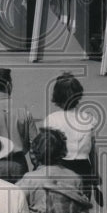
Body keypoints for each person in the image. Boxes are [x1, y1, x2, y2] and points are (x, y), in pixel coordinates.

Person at [42, 72, 101, 205]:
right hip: (83, 169)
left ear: (56, 96)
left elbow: (47, 152)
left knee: (61, 208)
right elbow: (93, 151)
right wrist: (95, 174)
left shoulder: (52, 120)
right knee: (81, 207)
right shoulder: (88, 119)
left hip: (60, 169)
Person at [18, 127, 83, 213]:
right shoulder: (74, 178)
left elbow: (15, 205)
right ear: (62, 150)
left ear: (35, 152)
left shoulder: (30, 179)